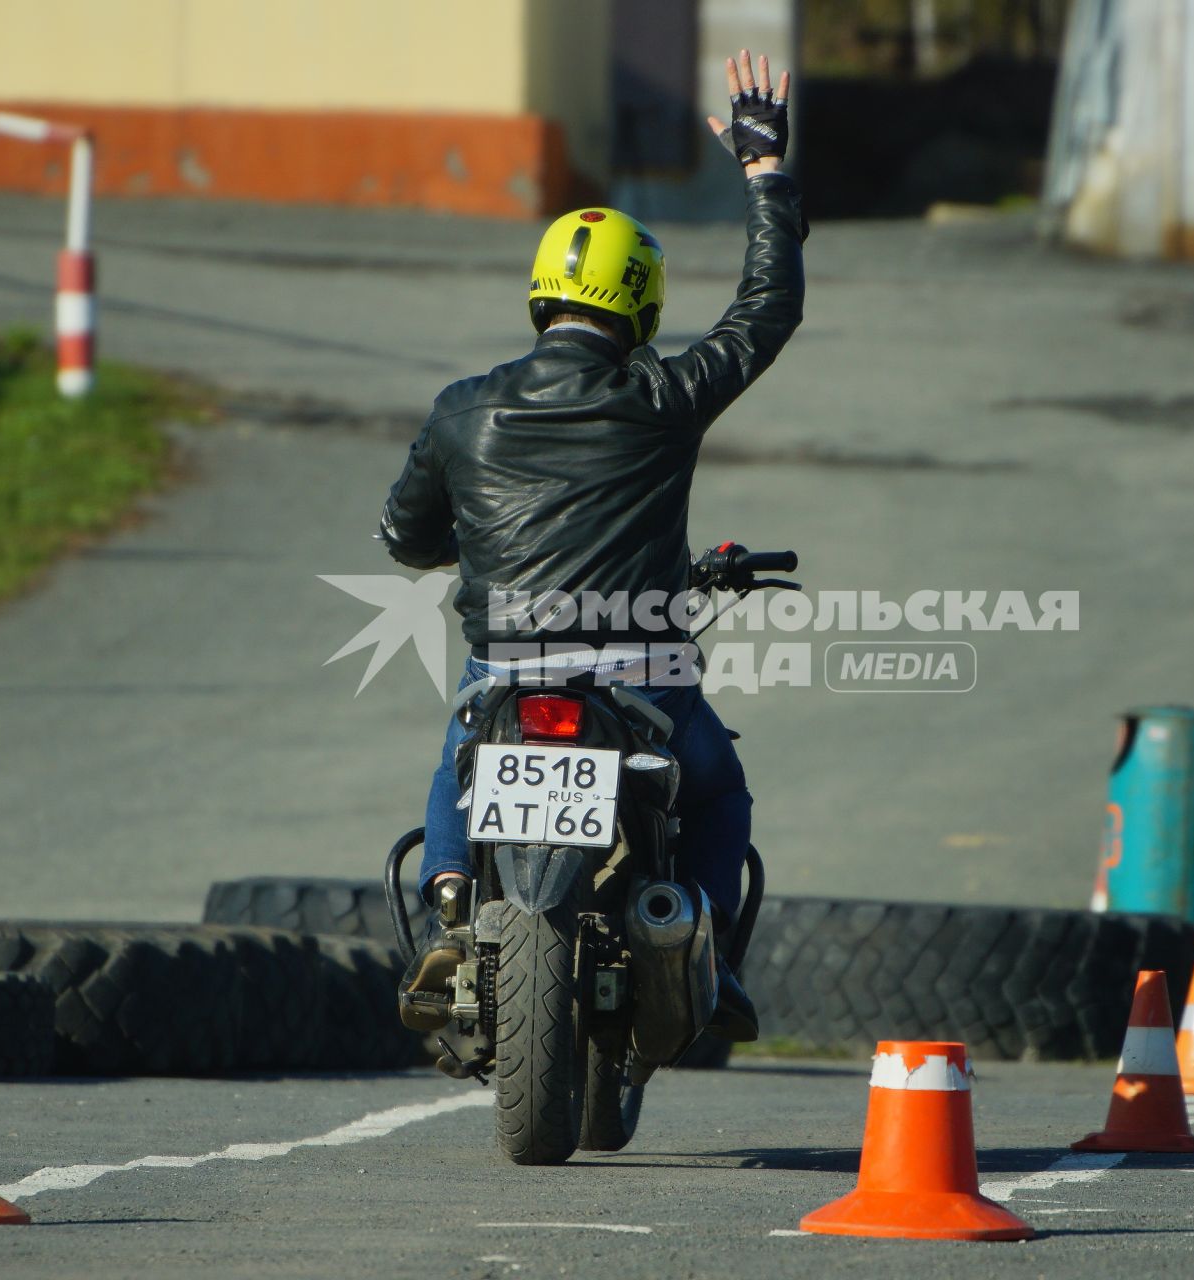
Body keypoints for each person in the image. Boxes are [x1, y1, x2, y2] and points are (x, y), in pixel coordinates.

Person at [378, 50, 804, 1043]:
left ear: (539, 295)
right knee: (718, 788)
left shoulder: (462, 411)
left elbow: (405, 533)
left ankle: (448, 907)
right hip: (638, 672)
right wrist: (763, 173)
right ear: (643, 304)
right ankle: (696, 933)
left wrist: (444, 542)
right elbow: (763, 312)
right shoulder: (659, 396)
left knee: (460, 758)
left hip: (508, 663)